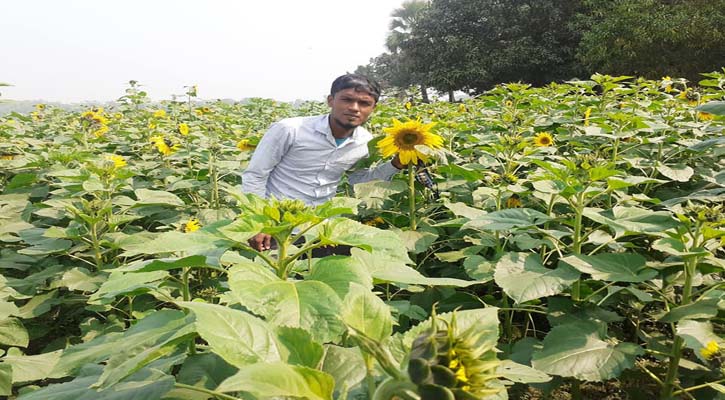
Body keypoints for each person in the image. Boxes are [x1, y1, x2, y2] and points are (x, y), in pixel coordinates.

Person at [242, 73, 405, 252]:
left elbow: (358, 180)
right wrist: (260, 221)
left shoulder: (365, 143)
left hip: (322, 229)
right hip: (278, 227)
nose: (354, 108)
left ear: (373, 108)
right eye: (347, 100)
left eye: (364, 103)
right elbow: (256, 175)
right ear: (330, 100)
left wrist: (395, 165)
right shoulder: (290, 130)